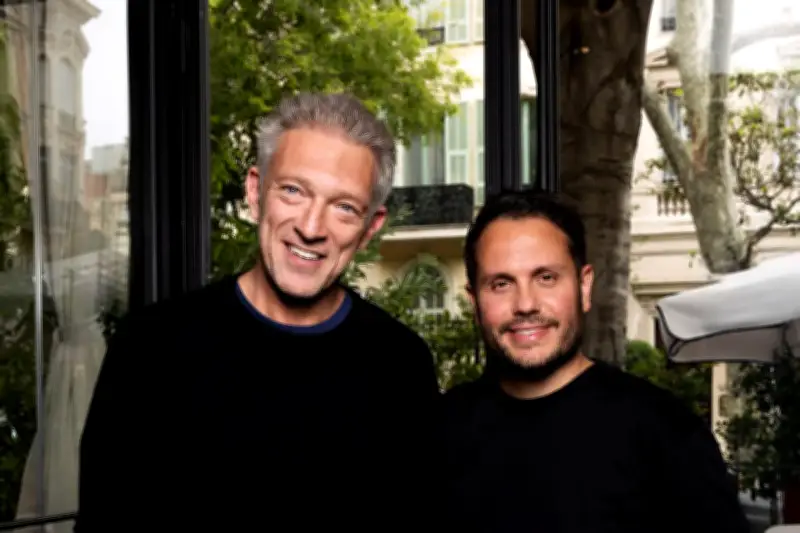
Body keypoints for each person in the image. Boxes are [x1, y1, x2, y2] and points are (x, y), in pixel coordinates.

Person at [76, 92, 440, 531]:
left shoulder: (400, 365)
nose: (310, 228)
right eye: (293, 191)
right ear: (255, 192)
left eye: (344, 207)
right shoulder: (151, 347)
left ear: (369, 229)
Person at [441, 192, 750, 533]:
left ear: (584, 286)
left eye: (546, 278)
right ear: (474, 300)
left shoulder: (664, 431)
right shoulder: (438, 434)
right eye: (501, 284)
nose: (525, 304)